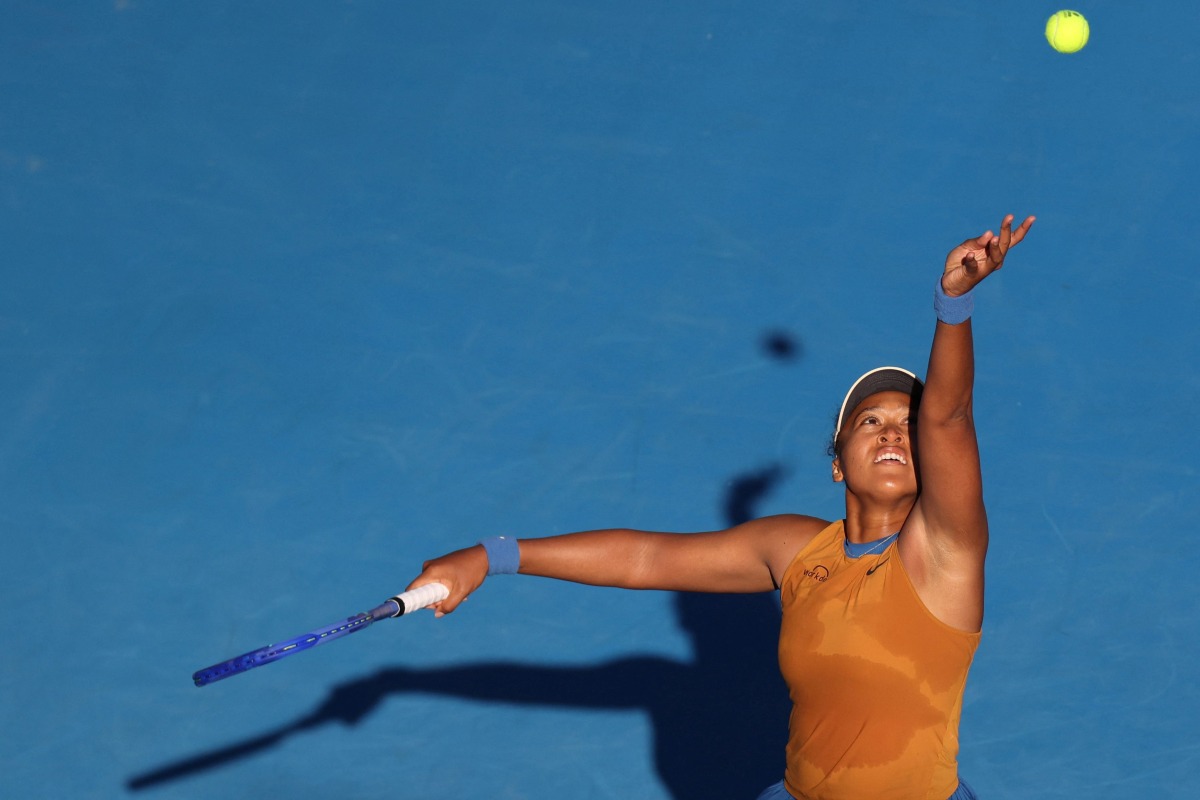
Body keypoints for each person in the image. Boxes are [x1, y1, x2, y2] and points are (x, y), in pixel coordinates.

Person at [406, 214, 1036, 800]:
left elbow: (949, 417)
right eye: (870, 420)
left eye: (908, 424)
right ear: (838, 463)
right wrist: (492, 556)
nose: (893, 431)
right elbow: (646, 559)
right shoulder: (798, 550)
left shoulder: (945, 551)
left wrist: (953, 304)